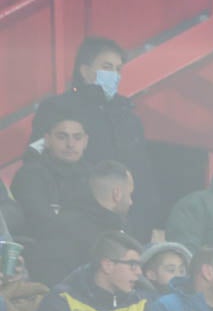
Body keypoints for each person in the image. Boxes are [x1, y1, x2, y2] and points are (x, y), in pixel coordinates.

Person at [30, 37, 158, 239]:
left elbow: (144, 172)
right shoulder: (58, 108)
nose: (114, 74)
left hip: (129, 222)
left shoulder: (129, 116)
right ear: (84, 70)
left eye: (118, 69)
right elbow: (36, 158)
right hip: (79, 219)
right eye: (107, 67)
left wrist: (150, 220)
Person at [26, 160, 135, 284]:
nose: (131, 202)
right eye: (130, 194)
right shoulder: (67, 229)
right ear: (117, 194)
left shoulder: (118, 226)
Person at [10, 95, 91, 257]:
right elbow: (43, 226)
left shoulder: (94, 176)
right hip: (43, 257)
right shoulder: (30, 176)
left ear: (86, 141)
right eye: (62, 137)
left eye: (77, 137)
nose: (70, 144)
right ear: (47, 140)